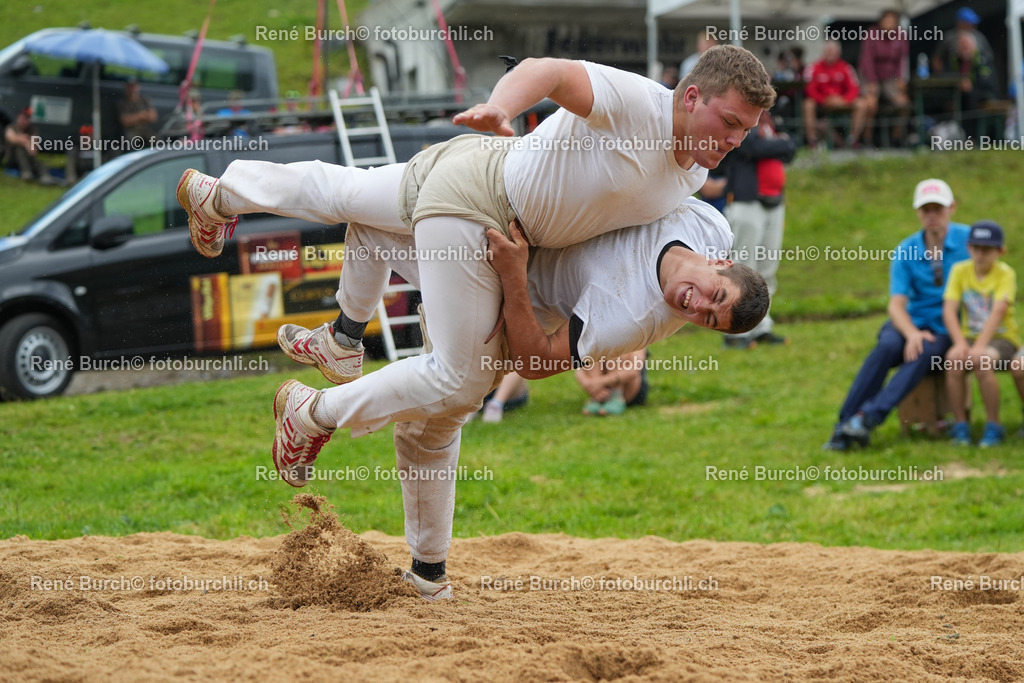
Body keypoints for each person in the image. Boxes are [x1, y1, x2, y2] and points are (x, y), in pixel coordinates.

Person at [271, 199, 768, 600]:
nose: (699, 308)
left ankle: (322, 406)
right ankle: (330, 372)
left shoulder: (637, 318)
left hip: (508, 292)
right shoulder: (706, 223)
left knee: (441, 405)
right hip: (497, 234)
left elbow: (534, 360)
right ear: (721, 263)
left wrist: (513, 272)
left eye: (709, 320)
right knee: (437, 396)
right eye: (716, 297)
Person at [824, 179, 970, 451]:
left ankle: (867, 419)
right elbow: (896, 305)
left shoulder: (969, 241)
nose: (932, 215)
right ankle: (844, 424)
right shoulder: (906, 249)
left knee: (923, 351)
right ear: (918, 212)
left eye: (937, 209)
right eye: (925, 209)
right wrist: (912, 333)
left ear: (952, 208)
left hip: (946, 327)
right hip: (911, 322)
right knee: (887, 346)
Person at [722, 110, 795, 349]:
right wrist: (780, 143)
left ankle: (761, 325)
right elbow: (751, 147)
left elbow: (792, 149)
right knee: (743, 267)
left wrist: (777, 144)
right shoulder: (741, 118)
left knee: (767, 267)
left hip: (774, 202)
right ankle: (735, 331)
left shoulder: (771, 124)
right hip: (746, 201)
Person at [943, 221, 1019, 447]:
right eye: (976, 248)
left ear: (1000, 251)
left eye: (987, 249)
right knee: (953, 360)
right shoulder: (959, 271)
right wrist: (959, 343)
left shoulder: (1005, 274)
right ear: (968, 248)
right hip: (970, 337)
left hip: (1002, 338)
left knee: (982, 361)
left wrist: (979, 348)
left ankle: (994, 425)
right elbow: (949, 310)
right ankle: (960, 425)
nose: (980, 254)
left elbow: (998, 311)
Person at [851, 10, 910, 148]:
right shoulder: (872, 34)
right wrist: (871, 81)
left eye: (892, 21)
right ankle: (868, 138)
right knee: (871, 103)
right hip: (870, 77)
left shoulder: (901, 36)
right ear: (880, 22)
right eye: (887, 20)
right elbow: (866, 60)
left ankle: (896, 139)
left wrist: (901, 78)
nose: (889, 24)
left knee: (903, 103)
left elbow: (902, 60)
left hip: (890, 80)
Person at [802, 41, 864, 149]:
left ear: (838, 53)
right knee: (808, 104)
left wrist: (844, 100)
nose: (830, 54)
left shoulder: (846, 67)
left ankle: (853, 139)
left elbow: (854, 88)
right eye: (828, 51)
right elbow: (809, 88)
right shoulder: (813, 67)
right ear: (823, 52)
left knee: (861, 104)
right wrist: (824, 100)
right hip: (821, 103)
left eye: (833, 52)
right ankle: (812, 140)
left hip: (841, 101)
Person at [575, 348, 649, 416]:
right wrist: (589, 384)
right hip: (600, 383)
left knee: (616, 346)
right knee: (590, 350)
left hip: (629, 387)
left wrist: (600, 382)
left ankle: (616, 395)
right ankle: (598, 397)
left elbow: (634, 369)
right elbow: (579, 368)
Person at [931, 7, 995, 77]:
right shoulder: (949, 37)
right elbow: (937, 59)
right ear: (960, 23)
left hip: (976, 76)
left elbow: (989, 58)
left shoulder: (979, 37)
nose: (972, 26)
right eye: (968, 23)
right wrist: (943, 75)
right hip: (954, 75)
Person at [3, 108, 54, 184]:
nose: (24, 121)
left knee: (40, 164)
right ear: (18, 118)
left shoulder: (33, 130)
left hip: (28, 158)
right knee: (19, 148)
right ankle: (26, 173)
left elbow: (33, 151)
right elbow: (12, 138)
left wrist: (24, 141)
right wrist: (26, 142)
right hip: (13, 160)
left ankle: (45, 177)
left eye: (26, 119)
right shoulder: (11, 127)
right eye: (22, 118)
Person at [117, 78, 157, 147]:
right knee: (129, 142)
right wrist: (142, 115)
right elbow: (125, 121)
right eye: (130, 86)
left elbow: (153, 117)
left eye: (134, 86)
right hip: (131, 132)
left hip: (145, 130)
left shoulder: (144, 100)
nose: (132, 89)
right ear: (126, 88)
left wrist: (134, 118)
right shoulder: (122, 103)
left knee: (158, 141)